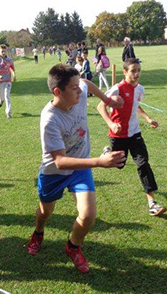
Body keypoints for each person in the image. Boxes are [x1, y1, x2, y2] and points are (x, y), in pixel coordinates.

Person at [26, 64, 126, 273]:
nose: (80, 91)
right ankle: (38, 231)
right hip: (54, 172)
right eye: (73, 88)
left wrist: (108, 101)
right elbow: (60, 161)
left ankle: (73, 246)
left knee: (88, 215)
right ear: (57, 92)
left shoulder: (79, 92)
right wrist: (99, 161)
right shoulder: (50, 119)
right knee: (45, 211)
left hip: (80, 167)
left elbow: (87, 83)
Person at [97, 58, 167, 216]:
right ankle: (107, 151)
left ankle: (152, 203)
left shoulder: (140, 89)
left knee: (143, 164)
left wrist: (148, 118)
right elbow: (100, 106)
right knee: (119, 165)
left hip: (135, 133)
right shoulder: (117, 89)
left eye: (139, 71)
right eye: (133, 71)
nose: (136, 74)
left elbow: (136, 105)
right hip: (118, 134)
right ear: (125, 72)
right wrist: (111, 124)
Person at [0, 44, 16, 119]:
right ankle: (1, 101)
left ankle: (8, 113)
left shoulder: (9, 60)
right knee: (1, 97)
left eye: (4, 51)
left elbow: (13, 69)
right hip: (0, 81)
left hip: (8, 80)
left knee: (7, 96)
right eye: (2, 51)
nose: (3, 53)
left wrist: (14, 76)